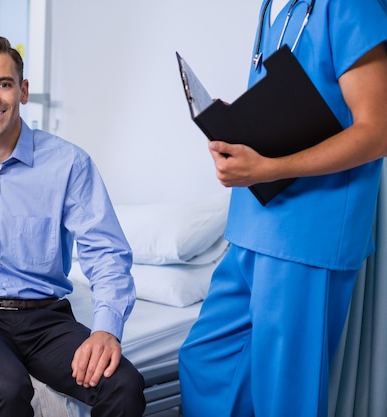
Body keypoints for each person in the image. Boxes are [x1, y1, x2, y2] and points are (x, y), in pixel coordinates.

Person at [0, 34, 146, 416]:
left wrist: (106, 329)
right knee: (7, 389)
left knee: (124, 384)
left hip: (46, 321)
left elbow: (106, 253)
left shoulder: (69, 164)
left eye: (3, 84)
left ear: (22, 91)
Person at [178, 0, 387, 416]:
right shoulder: (274, 6)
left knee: (285, 396)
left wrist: (271, 167)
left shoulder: (349, 5)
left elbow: (377, 130)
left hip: (308, 235)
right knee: (204, 363)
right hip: (253, 223)